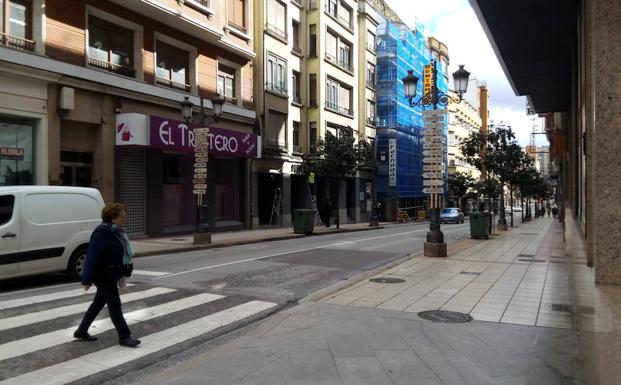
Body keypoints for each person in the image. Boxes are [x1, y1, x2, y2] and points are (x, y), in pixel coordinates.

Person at [74, 203, 140, 347]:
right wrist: (87, 279)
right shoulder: (102, 231)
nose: (125, 216)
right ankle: (124, 336)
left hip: (110, 273)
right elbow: (92, 255)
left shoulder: (117, 231)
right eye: (123, 214)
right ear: (114, 216)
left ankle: (81, 331)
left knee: (98, 303)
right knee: (115, 304)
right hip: (103, 275)